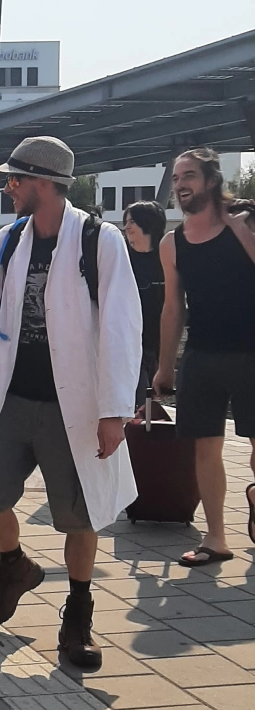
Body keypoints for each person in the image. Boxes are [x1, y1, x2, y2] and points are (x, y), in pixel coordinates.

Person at [0, 136, 141, 669]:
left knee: (78, 514)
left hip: (74, 405)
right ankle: (15, 564)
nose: (8, 187)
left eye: (15, 180)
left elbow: (121, 324)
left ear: (42, 183)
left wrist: (113, 410)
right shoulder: (9, 241)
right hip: (11, 396)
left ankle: (78, 616)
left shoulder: (98, 239)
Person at [153, 148, 255, 565]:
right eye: (176, 178)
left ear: (212, 181)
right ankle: (216, 540)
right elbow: (173, 307)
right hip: (201, 355)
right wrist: (164, 366)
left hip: (252, 352)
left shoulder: (247, 224)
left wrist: (239, 228)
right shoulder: (171, 243)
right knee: (204, 449)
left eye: (188, 176)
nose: (180, 185)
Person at [122, 199, 167, 409]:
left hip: (156, 344)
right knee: (136, 402)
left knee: (149, 404)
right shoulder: (121, 257)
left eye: (132, 221)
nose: (126, 227)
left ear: (148, 223)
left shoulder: (168, 257)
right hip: (129, 344)